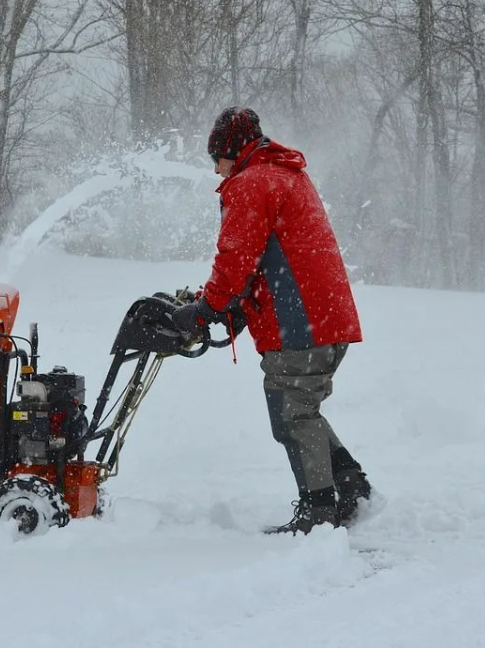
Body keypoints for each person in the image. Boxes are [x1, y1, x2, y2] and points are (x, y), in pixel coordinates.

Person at [172, 107, 374, 535]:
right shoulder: (287, 175)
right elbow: (270, 257)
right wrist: (230, 306)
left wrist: (208, 307)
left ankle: (319, 513)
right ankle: (351, 485)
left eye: (217, 159)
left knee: (291, 415)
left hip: (300, 322)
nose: (216, 169)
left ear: (231, 150)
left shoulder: (251, 183)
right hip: (323, 316)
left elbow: (237, 258)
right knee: (303, 410)